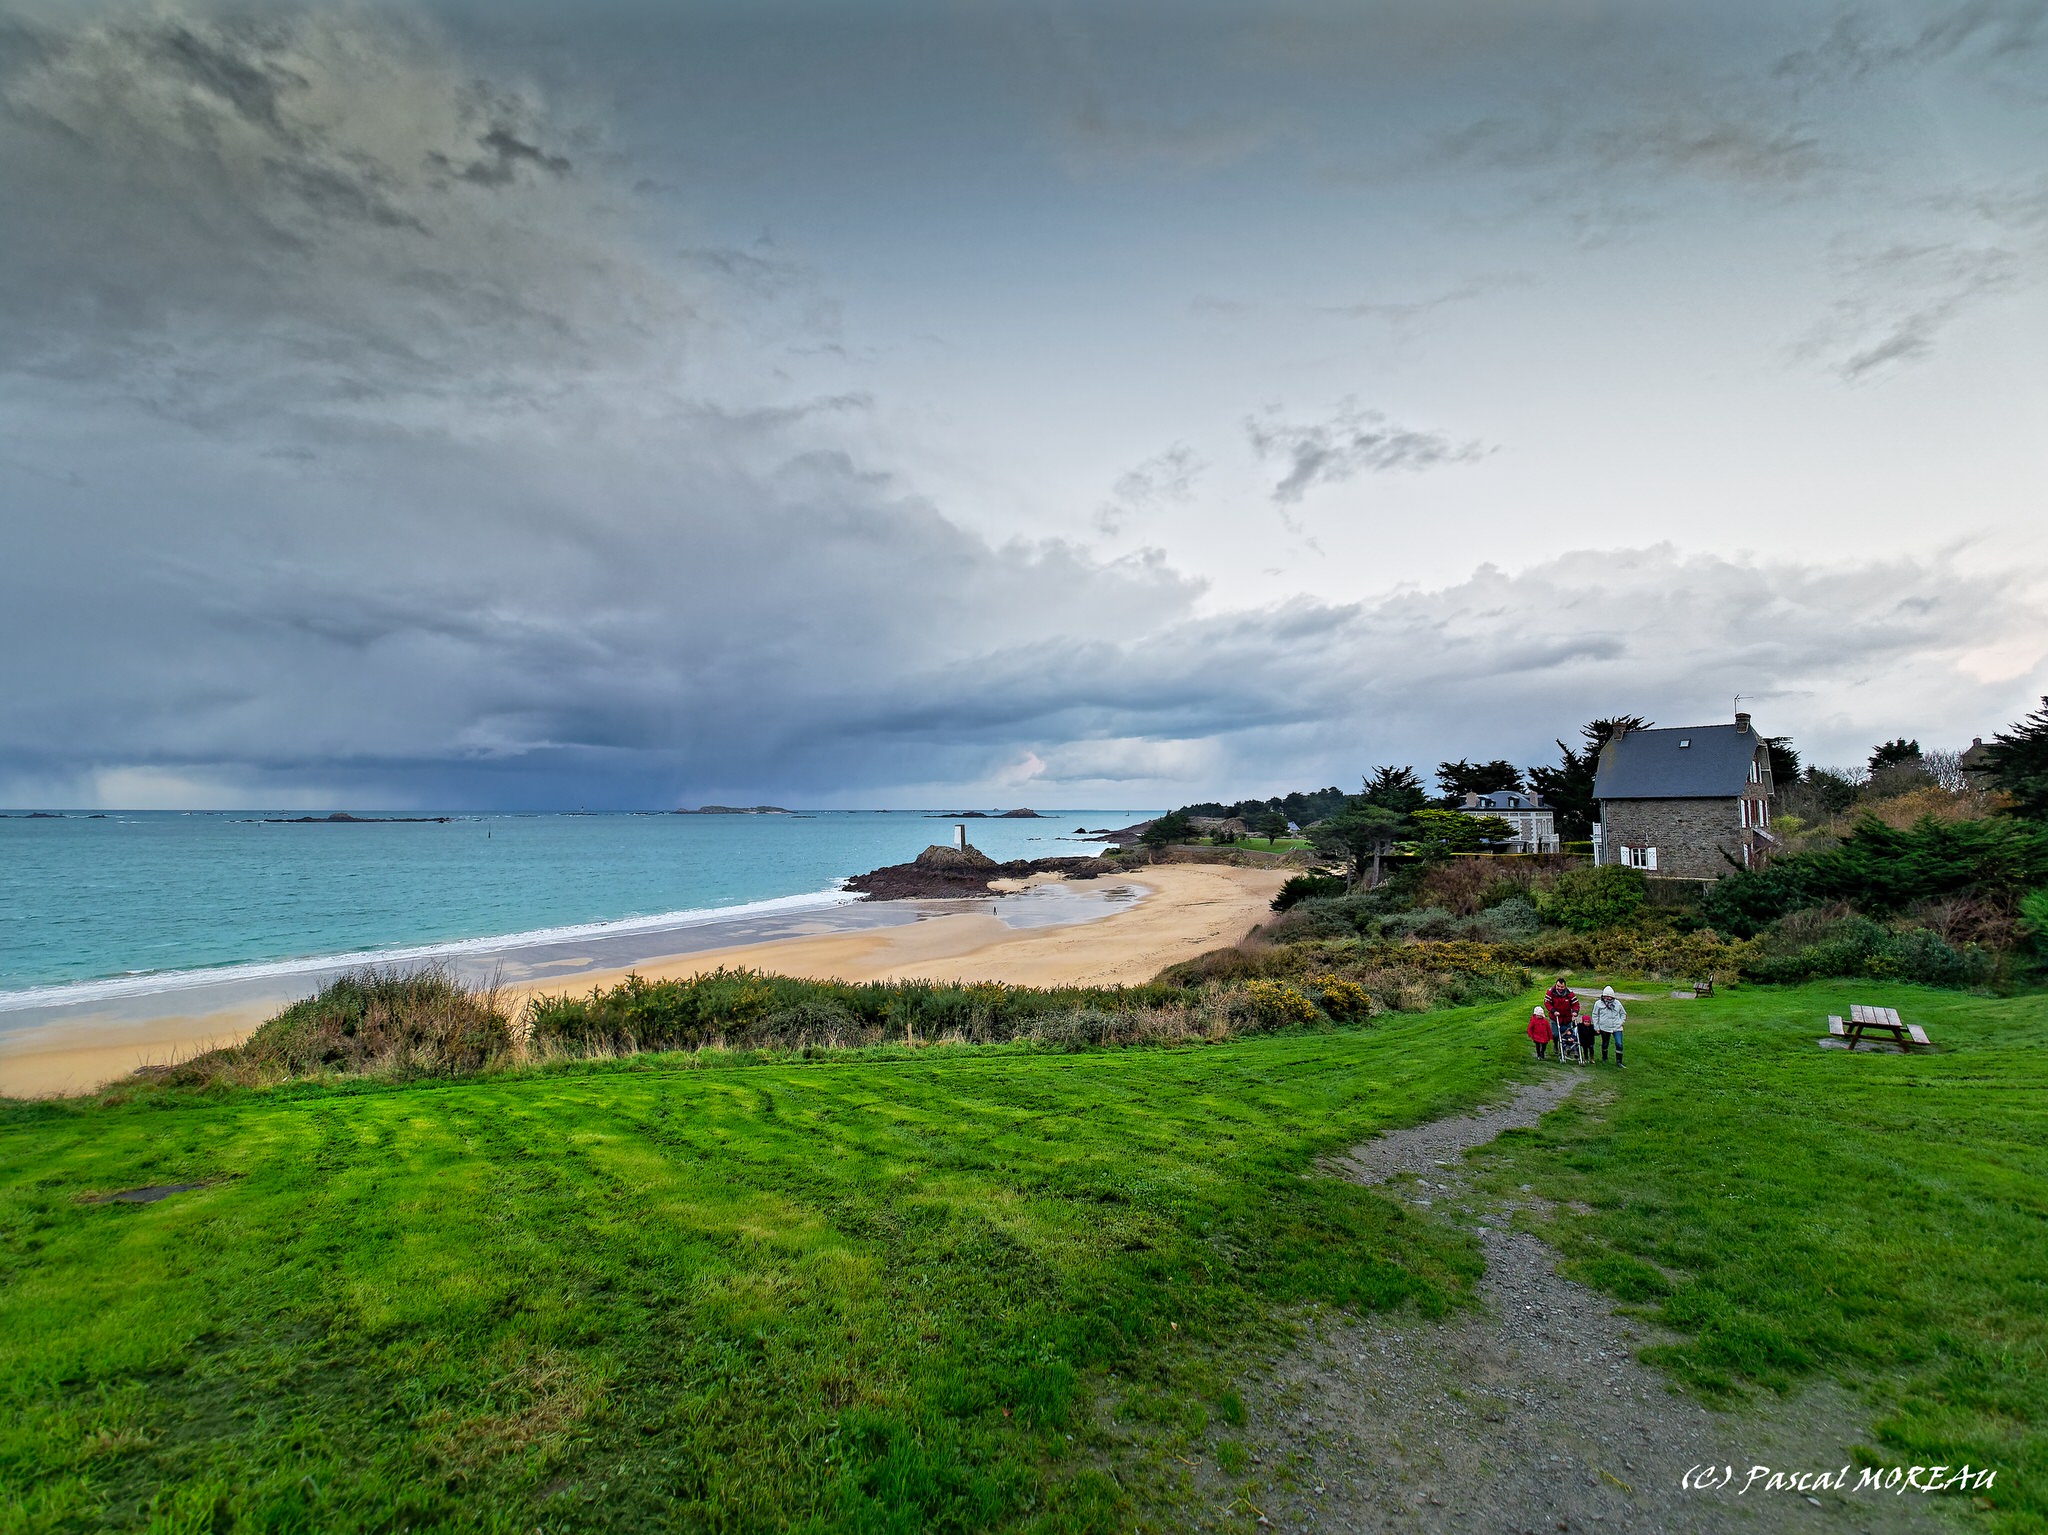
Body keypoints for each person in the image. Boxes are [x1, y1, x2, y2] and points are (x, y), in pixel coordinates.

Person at [1590, 984, 1626, 1066]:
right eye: (1605, 996)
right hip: (1604, 1027)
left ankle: (1619, 1062)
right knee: (1605, 1043)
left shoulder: (1617, 1003)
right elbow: (1595, 1015)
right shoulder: (1598, 1004)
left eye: (1609, 997)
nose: (1607, 998)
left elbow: (1623, 1014)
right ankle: (1604, 1058)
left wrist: (1620, 1022)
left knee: (1619, 1044)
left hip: (1617, 1027)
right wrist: (1596, 1027)